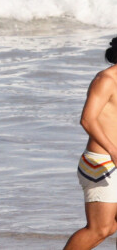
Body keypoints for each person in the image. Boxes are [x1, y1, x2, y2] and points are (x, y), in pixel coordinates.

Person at [64, 38, 117, 249]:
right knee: (100, 229)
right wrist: (113, 150)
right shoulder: (106, 79)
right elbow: (87, 119)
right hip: (102, 162)